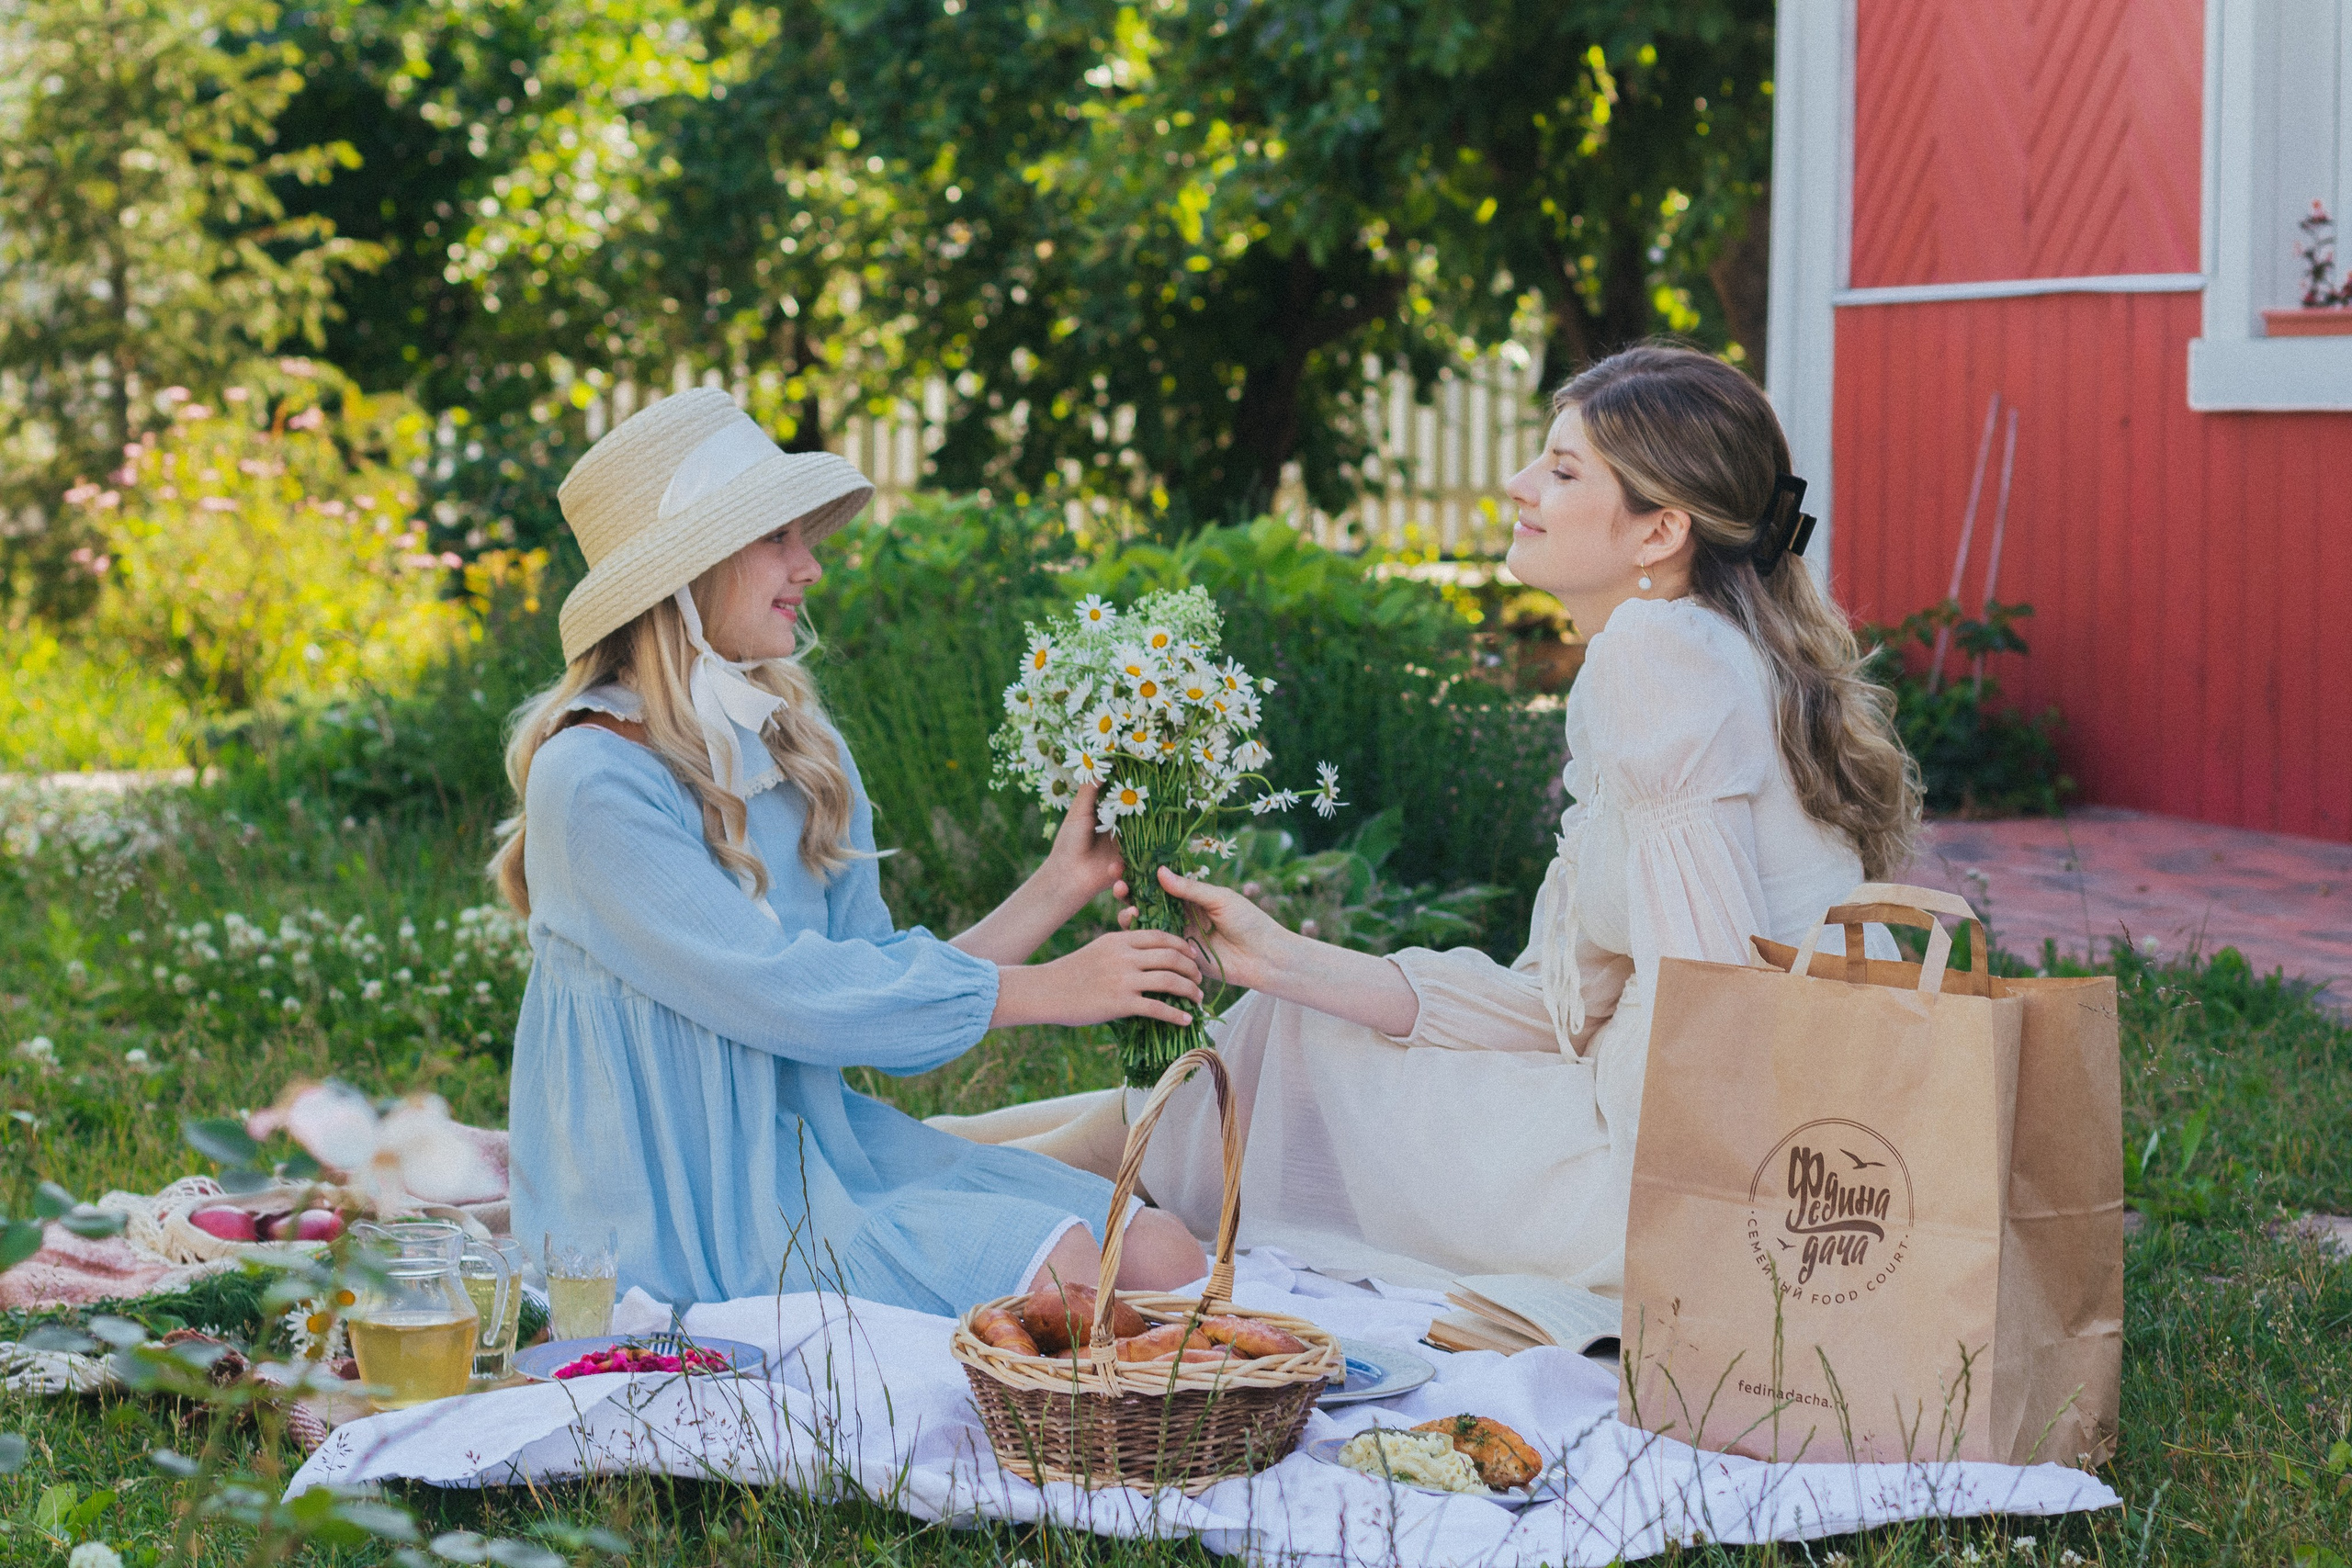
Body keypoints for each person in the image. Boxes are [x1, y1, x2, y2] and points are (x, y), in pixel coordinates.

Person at [934, 344, 1920, 1293]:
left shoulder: (1658, 659)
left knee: (1293, 1059)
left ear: (1659, 532)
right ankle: (914, 1155)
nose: (1520, 485)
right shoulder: (1715, 653)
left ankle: (908, 1170)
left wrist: (1713, 1253)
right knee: (1290, 1022)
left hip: (1667, 1192)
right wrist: (1276, 958)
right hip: (1691, 1145)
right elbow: (1557, 1009)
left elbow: (1715, 1014)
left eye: (1563, 469)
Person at [492, 387, 1206, 1313]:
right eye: (776, 539)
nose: (810, 568)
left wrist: (1059, 886)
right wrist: (1051, 994)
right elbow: (783, 995)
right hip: (689, 1202)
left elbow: (866, 990)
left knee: (1165, 1253)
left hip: (820, 1151)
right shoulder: (591, 782)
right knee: (1071, 1275)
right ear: (691, 570)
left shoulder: (793, 746)